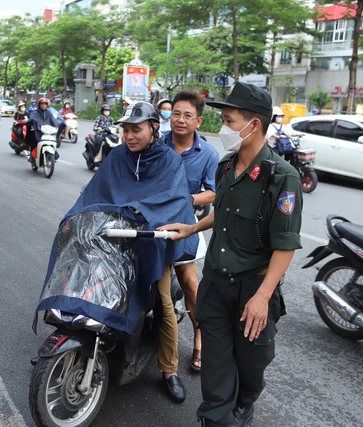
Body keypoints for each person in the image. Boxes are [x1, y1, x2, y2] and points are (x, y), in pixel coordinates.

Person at [159, 82, 302, 427]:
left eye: (229, 119)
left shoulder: (282, 177)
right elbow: (221, 211)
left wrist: (262, 298)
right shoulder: (225, 166)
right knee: (217, 376)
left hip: (252, 290)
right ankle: (219, 418)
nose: (223, 127)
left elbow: (285, 245)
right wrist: (191, 228)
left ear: (254, 125)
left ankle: (243, 404)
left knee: (252, 368)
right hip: (216, 286)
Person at [37, 101, 198, 404]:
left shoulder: (170, 162)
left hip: (149, 242)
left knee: (162, 301)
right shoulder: (118, 156)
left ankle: (168, 369)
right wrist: (75, 220)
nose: (129, 136)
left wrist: (140, 217)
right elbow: (94, 194)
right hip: (114, 237)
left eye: (136, 129)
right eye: (125, 129)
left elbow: (173, 202)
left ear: (153, 127)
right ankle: (72, 332)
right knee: (79, 270)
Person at [161, 90, 219, 373]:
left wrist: (186, 199)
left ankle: (200, 339)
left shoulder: (208, 153)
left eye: (187, 116)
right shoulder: (158, 144)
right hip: (153, 222)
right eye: (175, 114)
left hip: (187, 224)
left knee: (190, 283)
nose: (180, 120)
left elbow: (213, 194)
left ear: (198, 121)